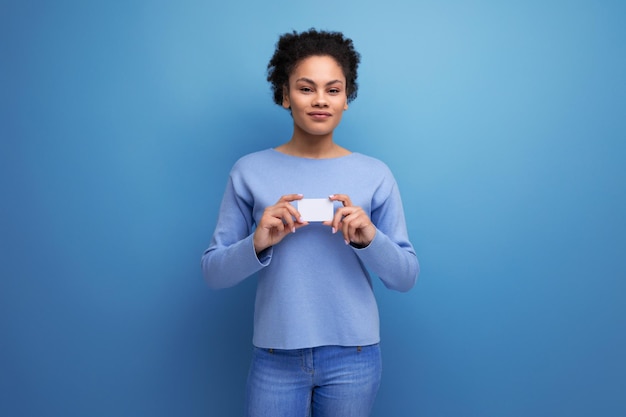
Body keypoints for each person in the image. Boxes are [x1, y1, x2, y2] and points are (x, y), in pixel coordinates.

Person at [201, 28, 419, 417]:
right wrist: (258, 242)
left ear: (346, 98)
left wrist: (370, 238)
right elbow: (214, 274)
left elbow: (404, 278)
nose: (320, 100)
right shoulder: (249, 171)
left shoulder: (375, 174)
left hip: (354, 356)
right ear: (285, 95)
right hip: (275, 355)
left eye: (333, 90)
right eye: (306, 88)